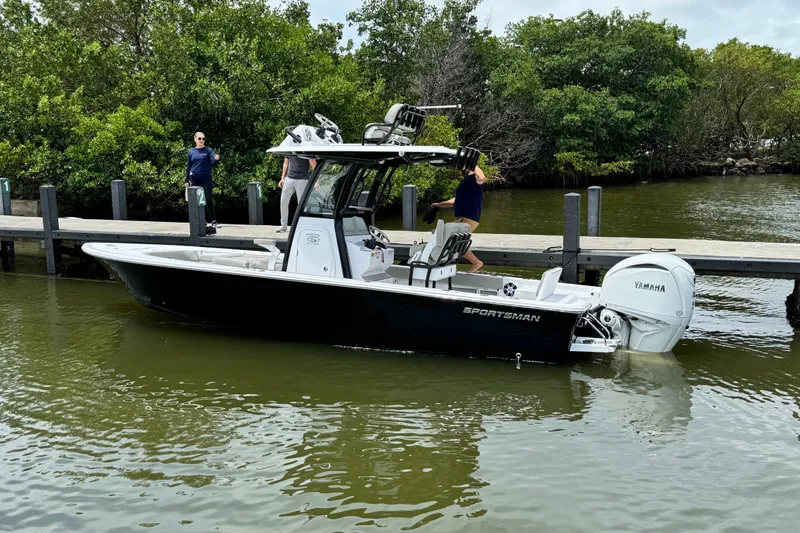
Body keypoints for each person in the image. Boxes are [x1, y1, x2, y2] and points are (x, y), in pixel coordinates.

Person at [432, 165, 487, 273]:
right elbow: (455, 201)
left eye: (465, 165)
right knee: (448, 240)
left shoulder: (474, 179)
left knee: (454, 241)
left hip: (469, 217)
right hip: (461, 218)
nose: (462, 167)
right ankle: (445, 266)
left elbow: (481, 178)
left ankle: (476, 262)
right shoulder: (466, 181)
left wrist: (473, 164)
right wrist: (438, 205)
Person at [185, 131, 220, 230]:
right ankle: (201, 221)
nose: (201, 141)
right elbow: (188, 166)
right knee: (197, 200)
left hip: (206, 178)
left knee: (208, 198)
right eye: (199, 138)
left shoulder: (208, 150)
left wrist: (216, 159)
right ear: (195, 139)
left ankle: (213, 220)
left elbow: (213, 163)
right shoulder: (191, 151)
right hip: (194, 178)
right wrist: (186, 180)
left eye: (203, 139)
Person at [278, 155, 317, 232]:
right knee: (283, 202)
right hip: (289, 178)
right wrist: (282, 178)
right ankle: (283, 226)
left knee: (301, 205)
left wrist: (316, 180)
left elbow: (314, 164)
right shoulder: (289, 148)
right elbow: (286, 163)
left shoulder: (305, 149)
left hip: (302, 179)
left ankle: (303, 226)